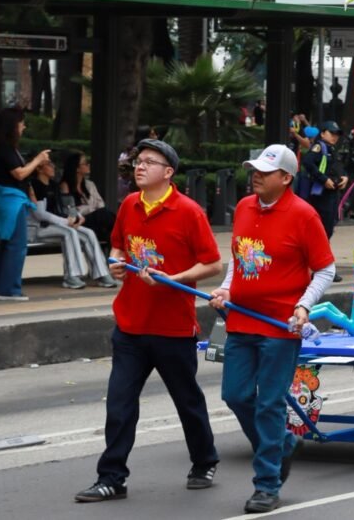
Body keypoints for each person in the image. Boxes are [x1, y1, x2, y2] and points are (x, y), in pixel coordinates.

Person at [75, 138, 223, 504]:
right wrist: (115, 261)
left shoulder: (188, 212)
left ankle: (204, 461)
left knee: (187, 401)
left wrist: (175, 278)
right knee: (119, 405)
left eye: (149, 162)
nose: (139, 166)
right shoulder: (129, 204)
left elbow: (213, 264)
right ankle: (112, 478)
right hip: (130, 325)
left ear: (168, 172)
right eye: (138, 161)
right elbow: (118, 245)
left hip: (173, 327)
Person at [210, 144, 336, 514]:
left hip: (280, 325)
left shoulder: (304, 214)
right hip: (240, 319)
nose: (256, 176)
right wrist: (226, 289)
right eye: (255, 170)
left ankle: (266, 485)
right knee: (235, 395)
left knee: (269, 404)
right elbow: (239, 259)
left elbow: (325, 268)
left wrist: (303, 305)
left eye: (265, 172)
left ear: (286, 178)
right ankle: (283, 443)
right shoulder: (244, 208)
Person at [0, 108, 48, 302]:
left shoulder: (5, 147)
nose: (24, 126)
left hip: (11, 199)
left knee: (9, 245)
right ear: (13, 125)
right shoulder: (5, 148)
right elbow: (19, 174)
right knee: (17, 245)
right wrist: (38, 160)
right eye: (21, 123)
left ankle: (3, 287)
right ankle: (10, 289)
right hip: (11, 200)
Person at [30, 157, 114, 290]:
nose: (53, 166)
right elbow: (39, 214)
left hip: (54, 226)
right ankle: (71, 276)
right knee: (69, 232)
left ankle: (102, 274)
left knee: (88, 233)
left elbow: (64, 207)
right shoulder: (35, 185)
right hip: (37, 228)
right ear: (39, 169)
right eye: (49, 164)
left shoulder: (53, 185)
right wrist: (65, 222)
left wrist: (77, 217)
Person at [301, 121, 348, 239]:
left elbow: (337, 167)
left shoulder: (331, 149)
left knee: (330, 225)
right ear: (322, 134)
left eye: (337, 134)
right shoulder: (319, 147)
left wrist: (344, 177)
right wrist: (324, 179)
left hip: (333, 193)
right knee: (322, 228)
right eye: (331, 133)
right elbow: (307, 162)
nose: (335, 137)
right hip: (321, 194)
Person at [60, 151, 116, 244]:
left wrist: (89, 210)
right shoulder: (65, 186)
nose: (88, 165)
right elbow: (70, 211)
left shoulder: (90, 185)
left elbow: (101, 205)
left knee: (107, 233)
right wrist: (90, 209)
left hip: (94, 222)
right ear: (77, 168)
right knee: (103, 214)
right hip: (79, 221)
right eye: (85, 163)